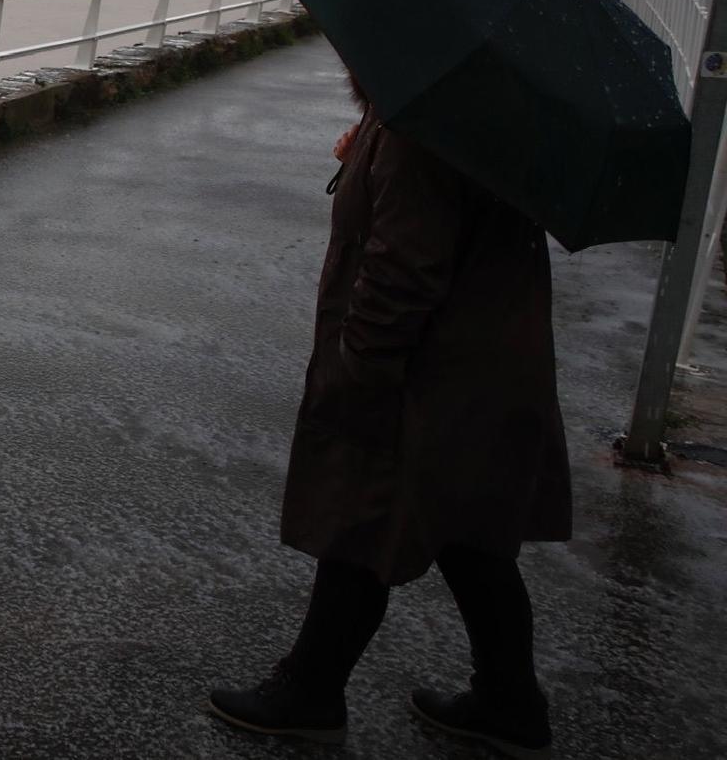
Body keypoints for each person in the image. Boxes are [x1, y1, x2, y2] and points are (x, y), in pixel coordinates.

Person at [208, 71, 571, 756]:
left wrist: (360, 365)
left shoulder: (423, 121)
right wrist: (365, 159)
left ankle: (309, 689)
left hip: (430, 374)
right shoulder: (467, 109)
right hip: (479, 367)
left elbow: (405, 265)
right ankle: (509, 700)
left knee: (365, 521)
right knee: (470, 535)